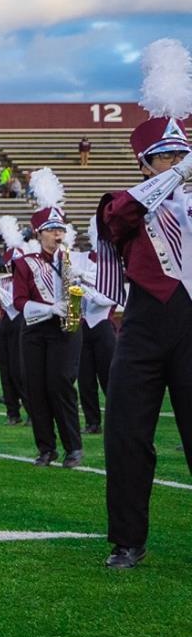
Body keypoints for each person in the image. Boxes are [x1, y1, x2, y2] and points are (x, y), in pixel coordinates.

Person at [97, 39, 192, 568]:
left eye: (181, 154)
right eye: (165, 157)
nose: (176, 163)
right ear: (145, 161)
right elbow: (119, 220)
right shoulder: (124, 199)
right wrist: (175, 177)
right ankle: (127, 539)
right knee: (128, 434)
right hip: (144, 326)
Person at [11, 168, 84, 468]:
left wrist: (81, 282)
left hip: (66, 331)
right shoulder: (25, 263)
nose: (57, 234)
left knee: (61, 384)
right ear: (38, 234)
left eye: (61, 229)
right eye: (52, 230)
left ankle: (73, 447)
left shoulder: (74, 260)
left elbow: (88, 291)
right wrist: (49, 308)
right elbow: (19, 303)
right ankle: (46, 448)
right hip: (35, 330)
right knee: (36, 389)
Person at [74, 220, 118, 435]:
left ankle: (117, 420)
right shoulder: (82, 262)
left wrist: (85, 288)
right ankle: (92, 422)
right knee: (85, 378)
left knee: (108, 376)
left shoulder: (113, 264)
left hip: (103, 326)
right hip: (83, 326)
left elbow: (109, 299)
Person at [0, 217, 28, 426]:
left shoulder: (27, 281)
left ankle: (32, 411)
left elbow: (17, 302)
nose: (11, 269)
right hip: (5, 325)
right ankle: (12, 412)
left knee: (19, 370)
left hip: (20, 323)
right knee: (5, 370)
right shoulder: (5, 280)